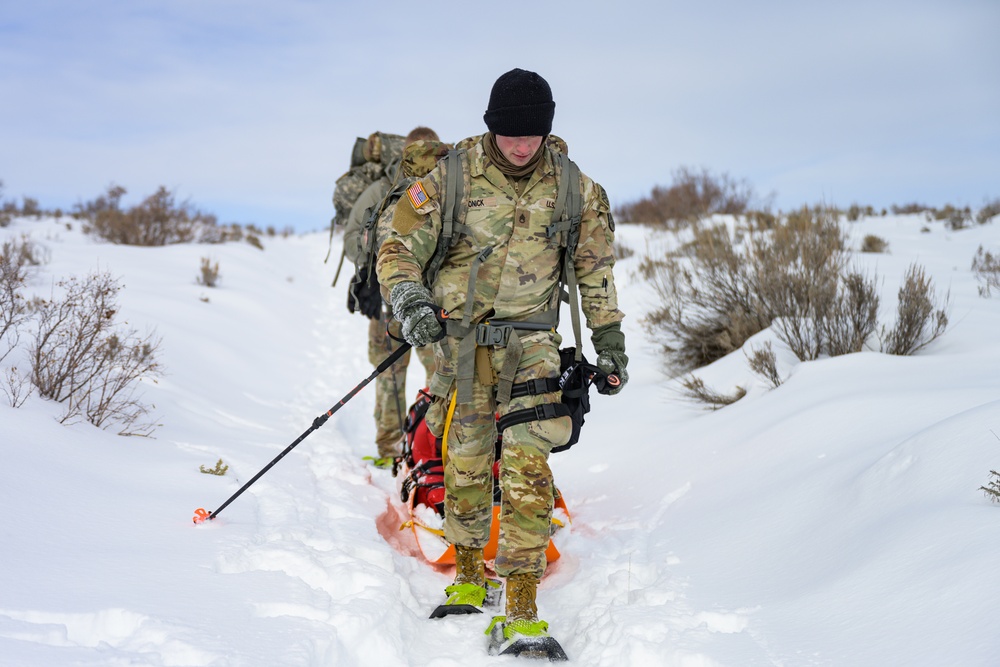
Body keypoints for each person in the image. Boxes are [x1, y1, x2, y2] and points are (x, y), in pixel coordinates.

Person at [376, 69, 628, 651]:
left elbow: (596, 271)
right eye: (511, 134)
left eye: (533, 135)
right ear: (492, 127)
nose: (521, 146)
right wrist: (411, 298)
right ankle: (468, 577)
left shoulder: (576, 189)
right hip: (459, 345)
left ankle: (521, 604)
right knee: (465, 459)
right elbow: (397, 246)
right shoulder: (450, 178)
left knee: (525, 466)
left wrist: (609, 344)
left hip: (534, 343)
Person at [343, 126, 439, 467]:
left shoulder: (446, 188)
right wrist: (374, 263)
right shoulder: (380, 190)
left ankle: (430, 444)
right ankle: (390, 448)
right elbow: (352, 236)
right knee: (388, 375)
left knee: (440, 375)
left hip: (433, 303)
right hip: (386, 301)